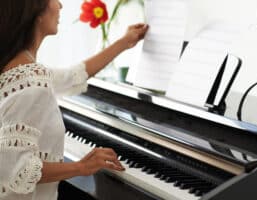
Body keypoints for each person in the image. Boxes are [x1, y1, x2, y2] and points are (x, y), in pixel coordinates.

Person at [0, 0, 148, 199]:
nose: (60, 5)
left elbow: (73, 75)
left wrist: (124, 42)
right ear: (36, 12)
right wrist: (81, 167)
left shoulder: (16, 67)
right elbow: (16, 169)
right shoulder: (32, 81)